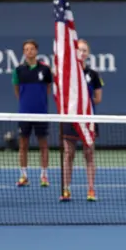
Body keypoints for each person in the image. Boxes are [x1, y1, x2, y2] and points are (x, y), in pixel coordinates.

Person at [60, 39, 103, 202]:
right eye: (79, 50)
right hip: (70, 120)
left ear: (88, 53)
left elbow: (98, 98)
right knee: (68, 155)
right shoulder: (67, 73)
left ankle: (91, 189)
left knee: (89, 155)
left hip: (88, 120)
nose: (82, 53)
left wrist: (83, 104)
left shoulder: (93, 74)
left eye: (84, 50)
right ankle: (66, 189)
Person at [12, 40, 52, 188]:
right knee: (23, 145)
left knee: (43, 145)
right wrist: (25, 102)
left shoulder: (45, 69)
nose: (29, 51)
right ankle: (23, 175)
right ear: (24, 52)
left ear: (36, 51)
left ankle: (44, 176)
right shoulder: (18, 70)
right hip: (24, 113)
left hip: (41, 113)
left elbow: (48, 88)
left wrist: (39, 101)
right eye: (26, 49)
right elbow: (17, 90)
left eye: (32, 49)